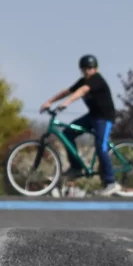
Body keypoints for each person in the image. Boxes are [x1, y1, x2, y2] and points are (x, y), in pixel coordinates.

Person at [40, 54, 120, 196]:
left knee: (101, 147)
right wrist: (49, 101)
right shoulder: (84, 80)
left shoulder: (97, 80)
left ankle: (111, 182)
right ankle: (76, 167)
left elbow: (82, 91)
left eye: (90, 68)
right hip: (92, 116)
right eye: (84, 69)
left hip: (104, 118)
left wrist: (66, 103)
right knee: (67, 133)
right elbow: (68, 91)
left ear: (96, 68)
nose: (87, 71)